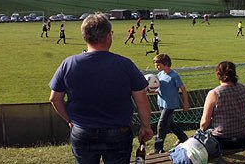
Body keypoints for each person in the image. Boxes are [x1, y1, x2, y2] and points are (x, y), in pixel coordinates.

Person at [48, 13, 153, 164]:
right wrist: (145, 126)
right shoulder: (125, 64)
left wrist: (70, 120)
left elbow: (55, 98)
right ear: (109, 36)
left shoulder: (68, 64)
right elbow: (142, 101)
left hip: (82, 131)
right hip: (118, 133)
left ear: (84, 36)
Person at [199, 61, 245, 150]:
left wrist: (200, 132)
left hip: (222, 140)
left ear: (218, 74)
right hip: (243, 135)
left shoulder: (214, 93)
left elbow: (204, 123)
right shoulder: (244, 88)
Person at [150, 54, 190, 153]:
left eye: (158, 65)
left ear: (166, 64)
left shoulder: (174, 76)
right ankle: (183, 138)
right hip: (161, 102)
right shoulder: (160, 74)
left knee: (161, 125)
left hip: (170, 104)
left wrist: (186, 102)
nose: (156, 67)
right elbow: (160, 87)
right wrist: (154, 90)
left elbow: (183, 89)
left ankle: (157, 148)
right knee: (170, 123)